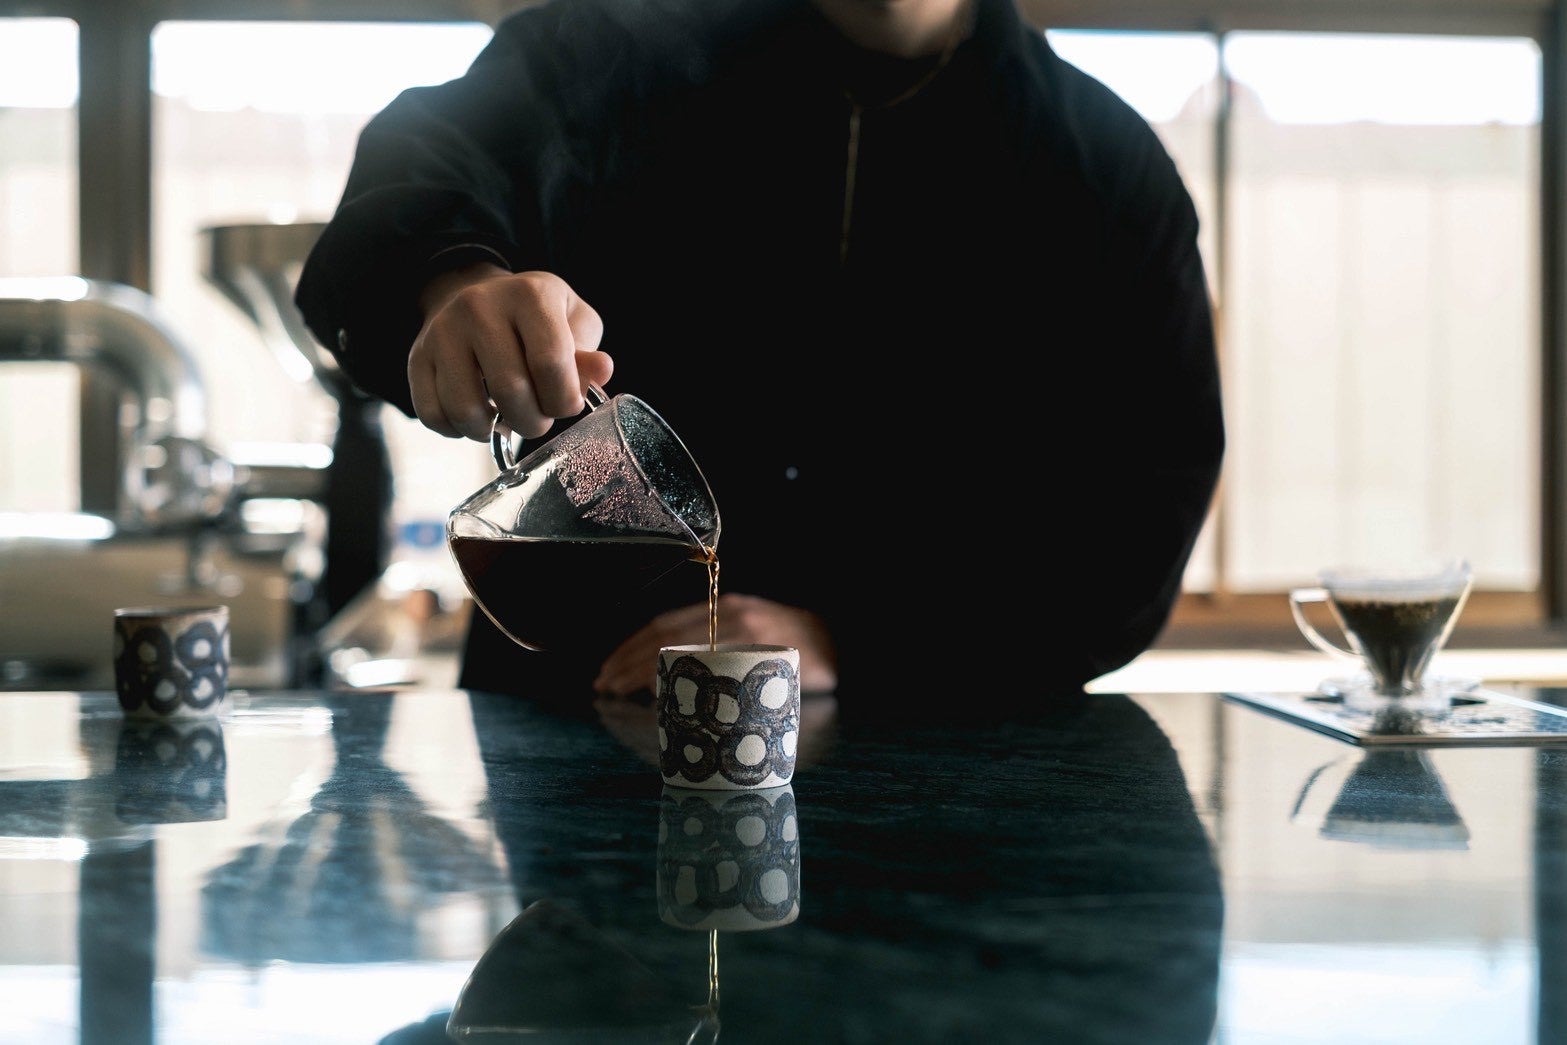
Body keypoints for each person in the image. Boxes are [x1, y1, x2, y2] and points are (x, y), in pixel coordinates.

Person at [294, 0, 1225, 707]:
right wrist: (451, 277)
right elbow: (426, 156)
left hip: (958, 767)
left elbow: (1142, 513)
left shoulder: (1103, 167)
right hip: (577, 726)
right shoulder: (612, 49)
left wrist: (852, 640)